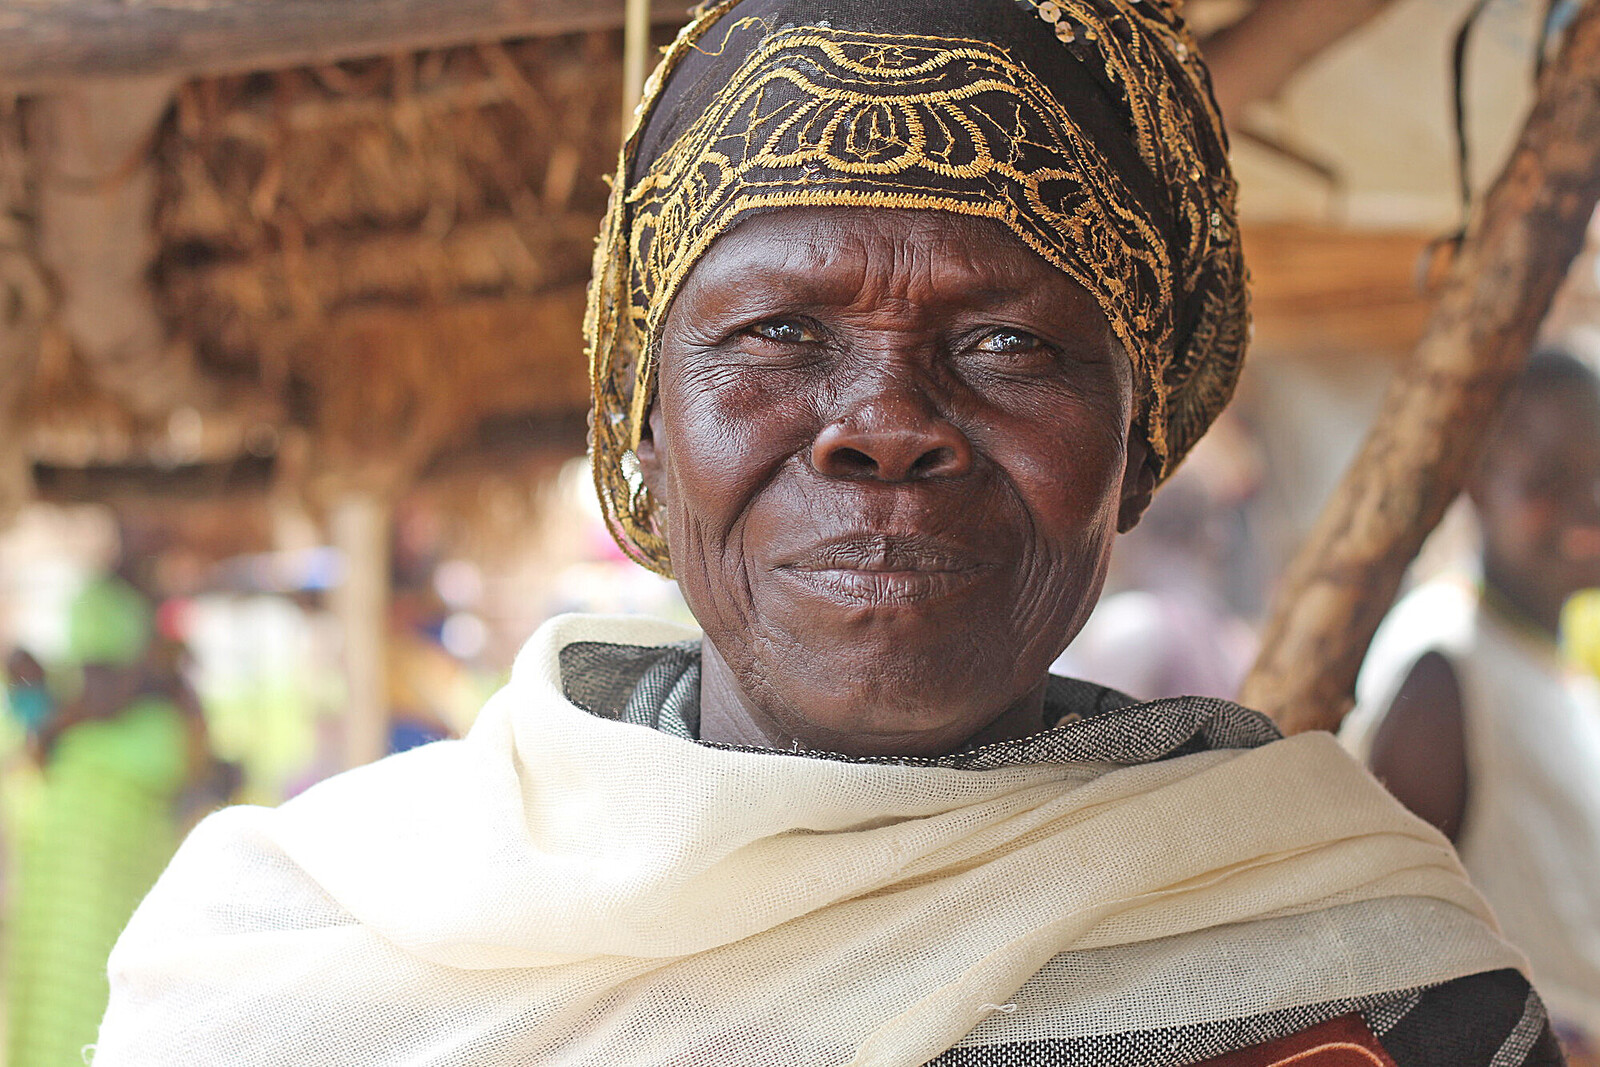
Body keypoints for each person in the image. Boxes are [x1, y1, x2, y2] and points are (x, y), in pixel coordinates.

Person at [95, 1, 1560, 1063]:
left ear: (1139, 447)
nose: (886, 421)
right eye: (779, 330)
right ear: (647, 431)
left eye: (1005, 343)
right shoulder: (313, 954)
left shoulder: (1371, 980)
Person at [1345, 349, 1600, 1062]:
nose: (1591, 501)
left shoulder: (1556, 671)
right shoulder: (1444, 665)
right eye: (1551, 479)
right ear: (1480, 483)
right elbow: (1395, 940)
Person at [6, 574, 195, 1067]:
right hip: (74, 878)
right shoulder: (83, 712)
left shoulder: (144, 703)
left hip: (115, 878)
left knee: (104, 1000)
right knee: (71, 998)